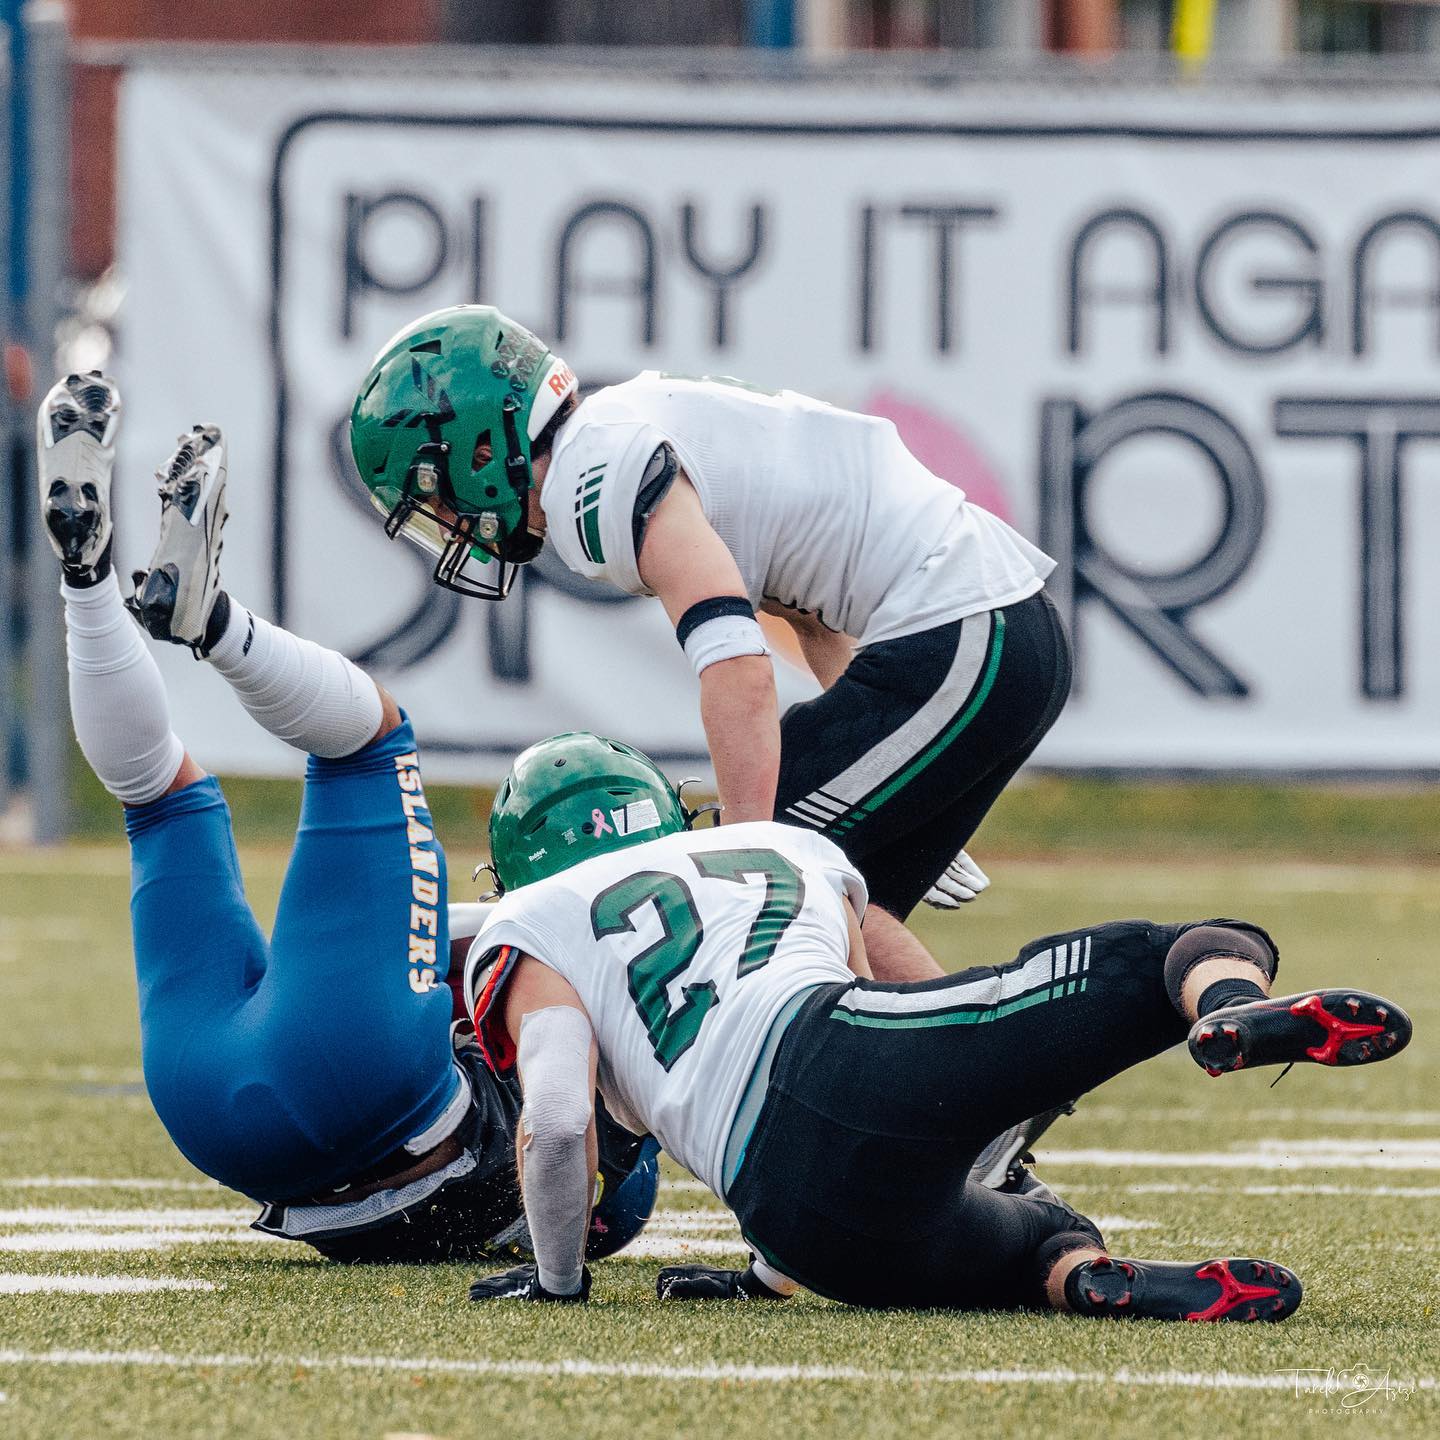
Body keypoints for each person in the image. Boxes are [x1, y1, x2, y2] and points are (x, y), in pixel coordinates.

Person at [36, 371, 657, 1264]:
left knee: (371, 742)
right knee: (159, 804)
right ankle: (91, 576)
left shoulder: (575, 947)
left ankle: (169, 610)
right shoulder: (647, 1070)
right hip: (220, 1127)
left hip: (348, 1076)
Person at [458, 732, 1411, 1313]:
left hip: (807, 1232)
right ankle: (1230, 1009)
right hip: (840, 1054)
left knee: (1042, 1236)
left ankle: (1083, 1278)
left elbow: (559, 1123)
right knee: (1183, 946)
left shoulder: (530, 921)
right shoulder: (777, 844)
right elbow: (863, 1009)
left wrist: (557, 1281)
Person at [350, 305, 1069, 995]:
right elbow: (815, 620)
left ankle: (983, 1062)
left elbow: (738, 666)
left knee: (776, 871)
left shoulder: (594, 473)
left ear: (483, 448)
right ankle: (980, 1099)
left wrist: (747, 856)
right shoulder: (619, 424)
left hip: (967, 626)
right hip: (991, 631)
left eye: (438, 495)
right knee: (846, 891)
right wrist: (898, 765)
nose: (450, 522)